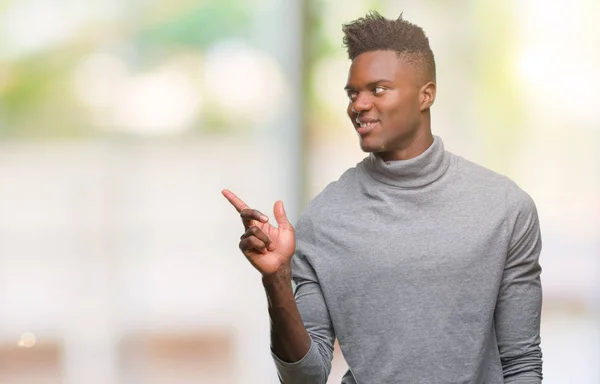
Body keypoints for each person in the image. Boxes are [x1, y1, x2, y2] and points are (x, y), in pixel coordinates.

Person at [222, 11, 542, 384]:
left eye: (378, 89)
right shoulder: (323, 220)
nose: (358, 104)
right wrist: (277, 279)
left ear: (426, 94)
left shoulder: (504, 208)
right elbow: (305, 379)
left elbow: (521, 363)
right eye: (353, 93)